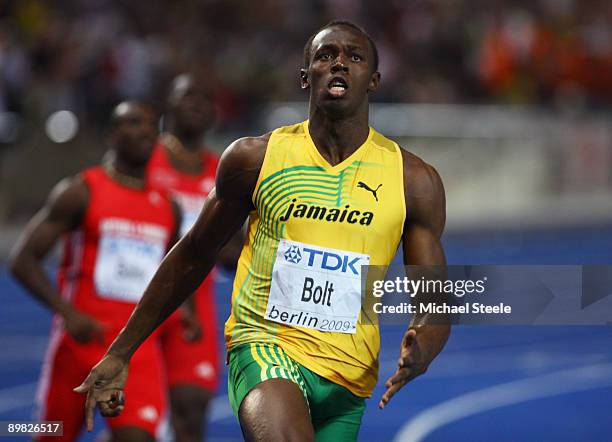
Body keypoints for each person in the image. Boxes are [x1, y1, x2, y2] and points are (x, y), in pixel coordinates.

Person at [75, 20, 451, 441]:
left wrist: (427, 344)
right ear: (306, 77)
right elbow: (195, 252)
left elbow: (434, 299)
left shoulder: (412, 180)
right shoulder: (255, 158)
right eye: (326, 56)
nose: (339, 63)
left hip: (349, 374)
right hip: (266, 348)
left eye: (355, 57)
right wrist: (122, 350)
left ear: (375, 81)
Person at [10, 101, 181, 442]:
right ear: (111, 135)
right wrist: (68, 314)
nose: (145, 130)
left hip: (136, 348)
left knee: (139, 437)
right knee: (51, 433)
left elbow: (173, 273)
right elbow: (23, 259)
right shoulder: (81, 191)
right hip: (80, 343)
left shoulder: (168, 206)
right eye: (132, 123)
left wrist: (185, 312)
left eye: (150, 124)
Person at [148, 73, 240, 442]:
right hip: (138, 298)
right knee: (136, 423)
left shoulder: (224, 170)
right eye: (188, 97)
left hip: (194, 300)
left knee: (192, 406)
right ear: (168, 104)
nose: (197, 105)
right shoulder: (143, 157)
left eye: (205, 99)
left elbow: (236, 245)